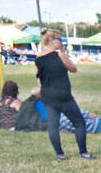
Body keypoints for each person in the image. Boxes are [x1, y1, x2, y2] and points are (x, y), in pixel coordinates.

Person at [34, 29, 94, 159]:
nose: (61, 42)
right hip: (63, 95)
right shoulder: (59, 55)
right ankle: (83, 152)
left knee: (53, 125)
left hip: (47, 95)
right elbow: (73, 69)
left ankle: (60, 154)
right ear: (51, 41)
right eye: (59, 40)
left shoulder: (38, 58)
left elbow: (38, 77)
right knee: (79, 122)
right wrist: (62, 53)